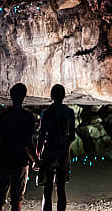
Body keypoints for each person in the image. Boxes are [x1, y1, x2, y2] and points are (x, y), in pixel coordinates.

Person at [0, 83, 37, 211]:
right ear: (24, 96)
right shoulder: (28, 118)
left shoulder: (2, 117)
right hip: (21, 161)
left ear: (11, 95)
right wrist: (36, 161)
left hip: (4, 159)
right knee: (16, 200)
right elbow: (28, 144)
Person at [36, 83, 75, 211]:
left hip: (50, 150)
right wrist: (66, 147)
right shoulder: (69, 112)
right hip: (63, 152)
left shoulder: (46, 113)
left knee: (47, 190)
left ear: (52, 96)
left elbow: (41, 135)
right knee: (61, 188)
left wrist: (38, 153)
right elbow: (72, 136)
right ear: (63, 96)